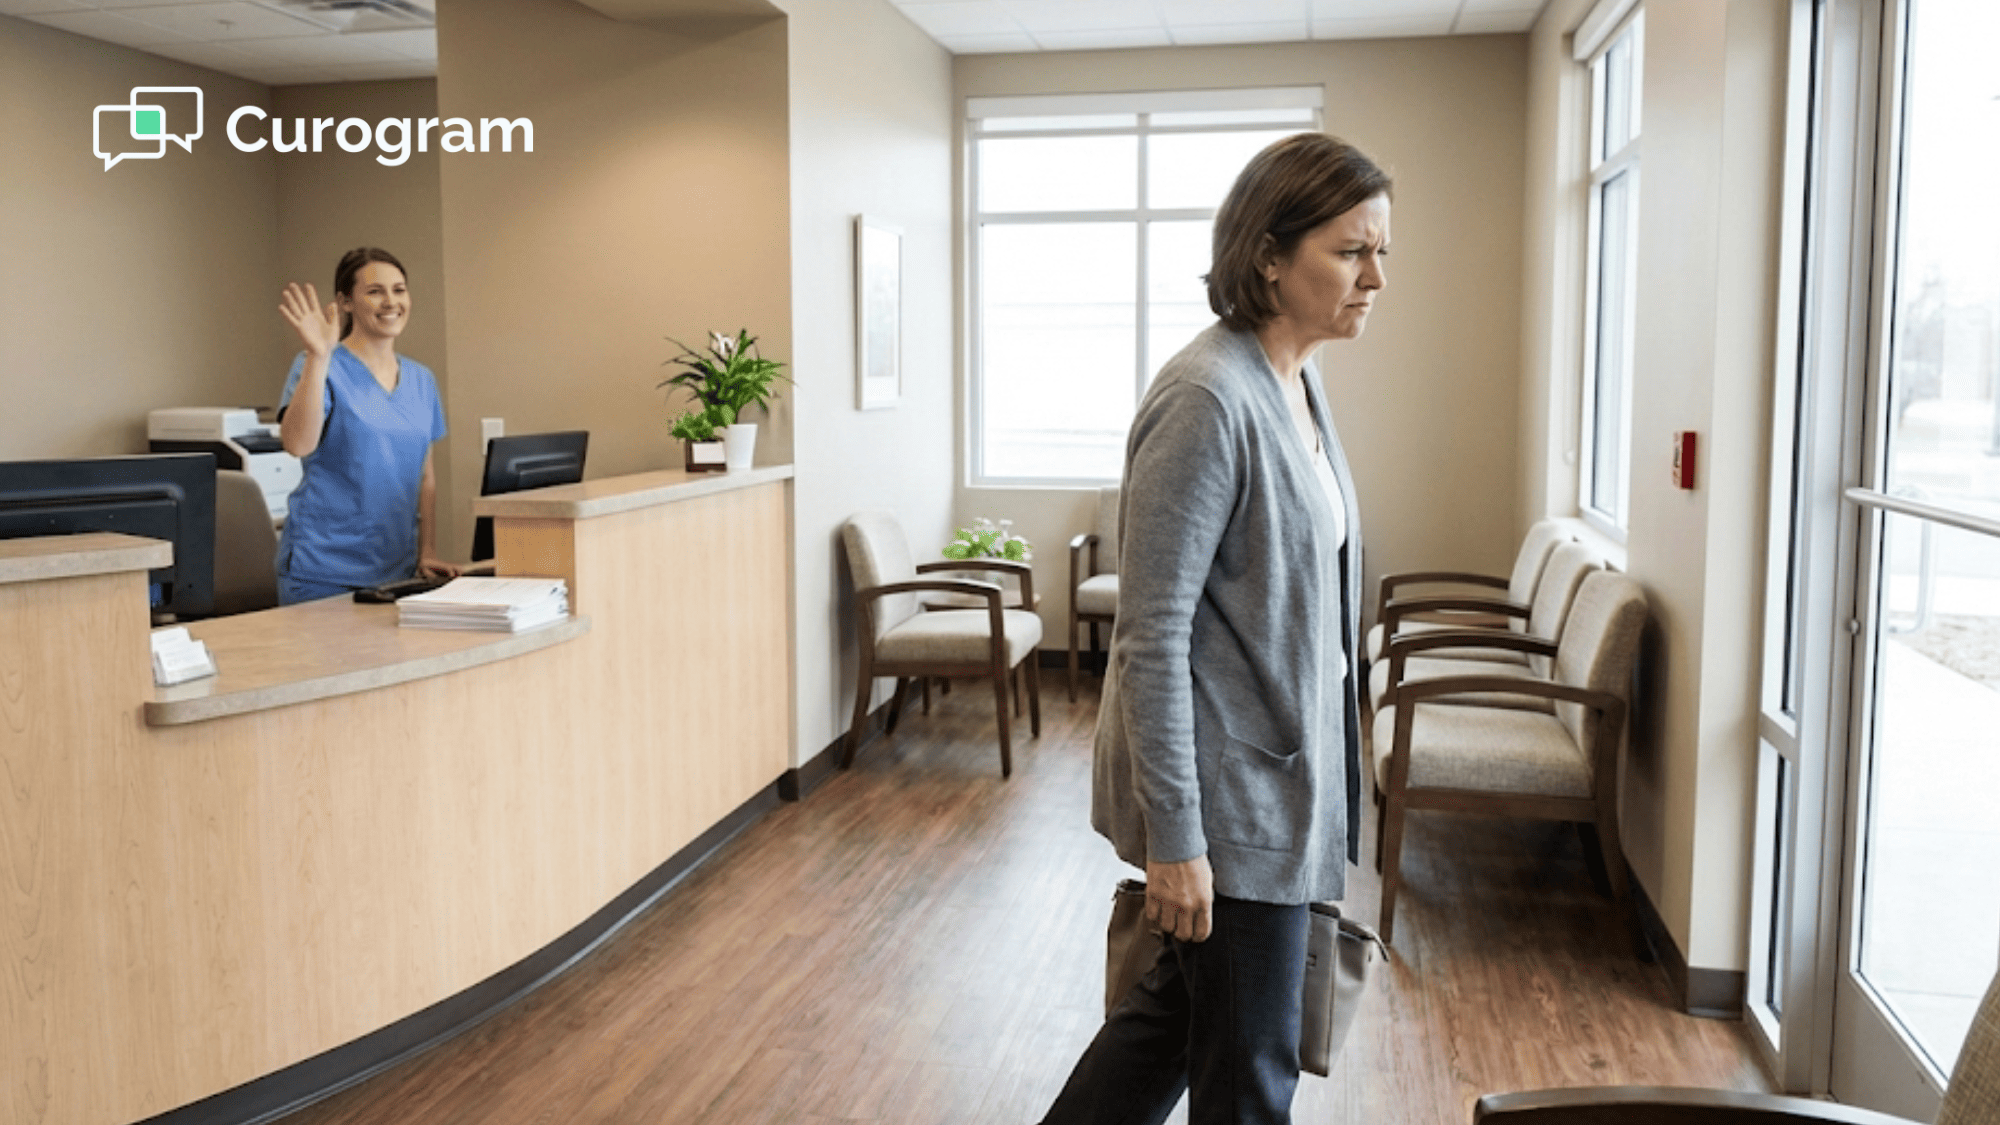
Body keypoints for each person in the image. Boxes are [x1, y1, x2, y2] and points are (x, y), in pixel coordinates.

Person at [1037, 132, 1389, 1125]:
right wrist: (1178, 840)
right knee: (1248, 1079)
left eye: (1381, 252)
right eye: (1350, 252)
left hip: (1281, 788)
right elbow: (1148, 639)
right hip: (1233, 808)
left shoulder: (1297, 380)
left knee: (1167, 1035)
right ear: (1268, 255)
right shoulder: (1206, 397)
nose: (1374, 278)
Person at [273, 247, 458, 604]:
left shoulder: (422, 379)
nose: (391, 301)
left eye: (399, 290)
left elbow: (426, 477)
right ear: (345, 302)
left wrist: (428, 551)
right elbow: (297, 444)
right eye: (375, 291)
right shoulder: (319, 365)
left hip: (397, 571)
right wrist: (318, 355)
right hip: (323, 570)